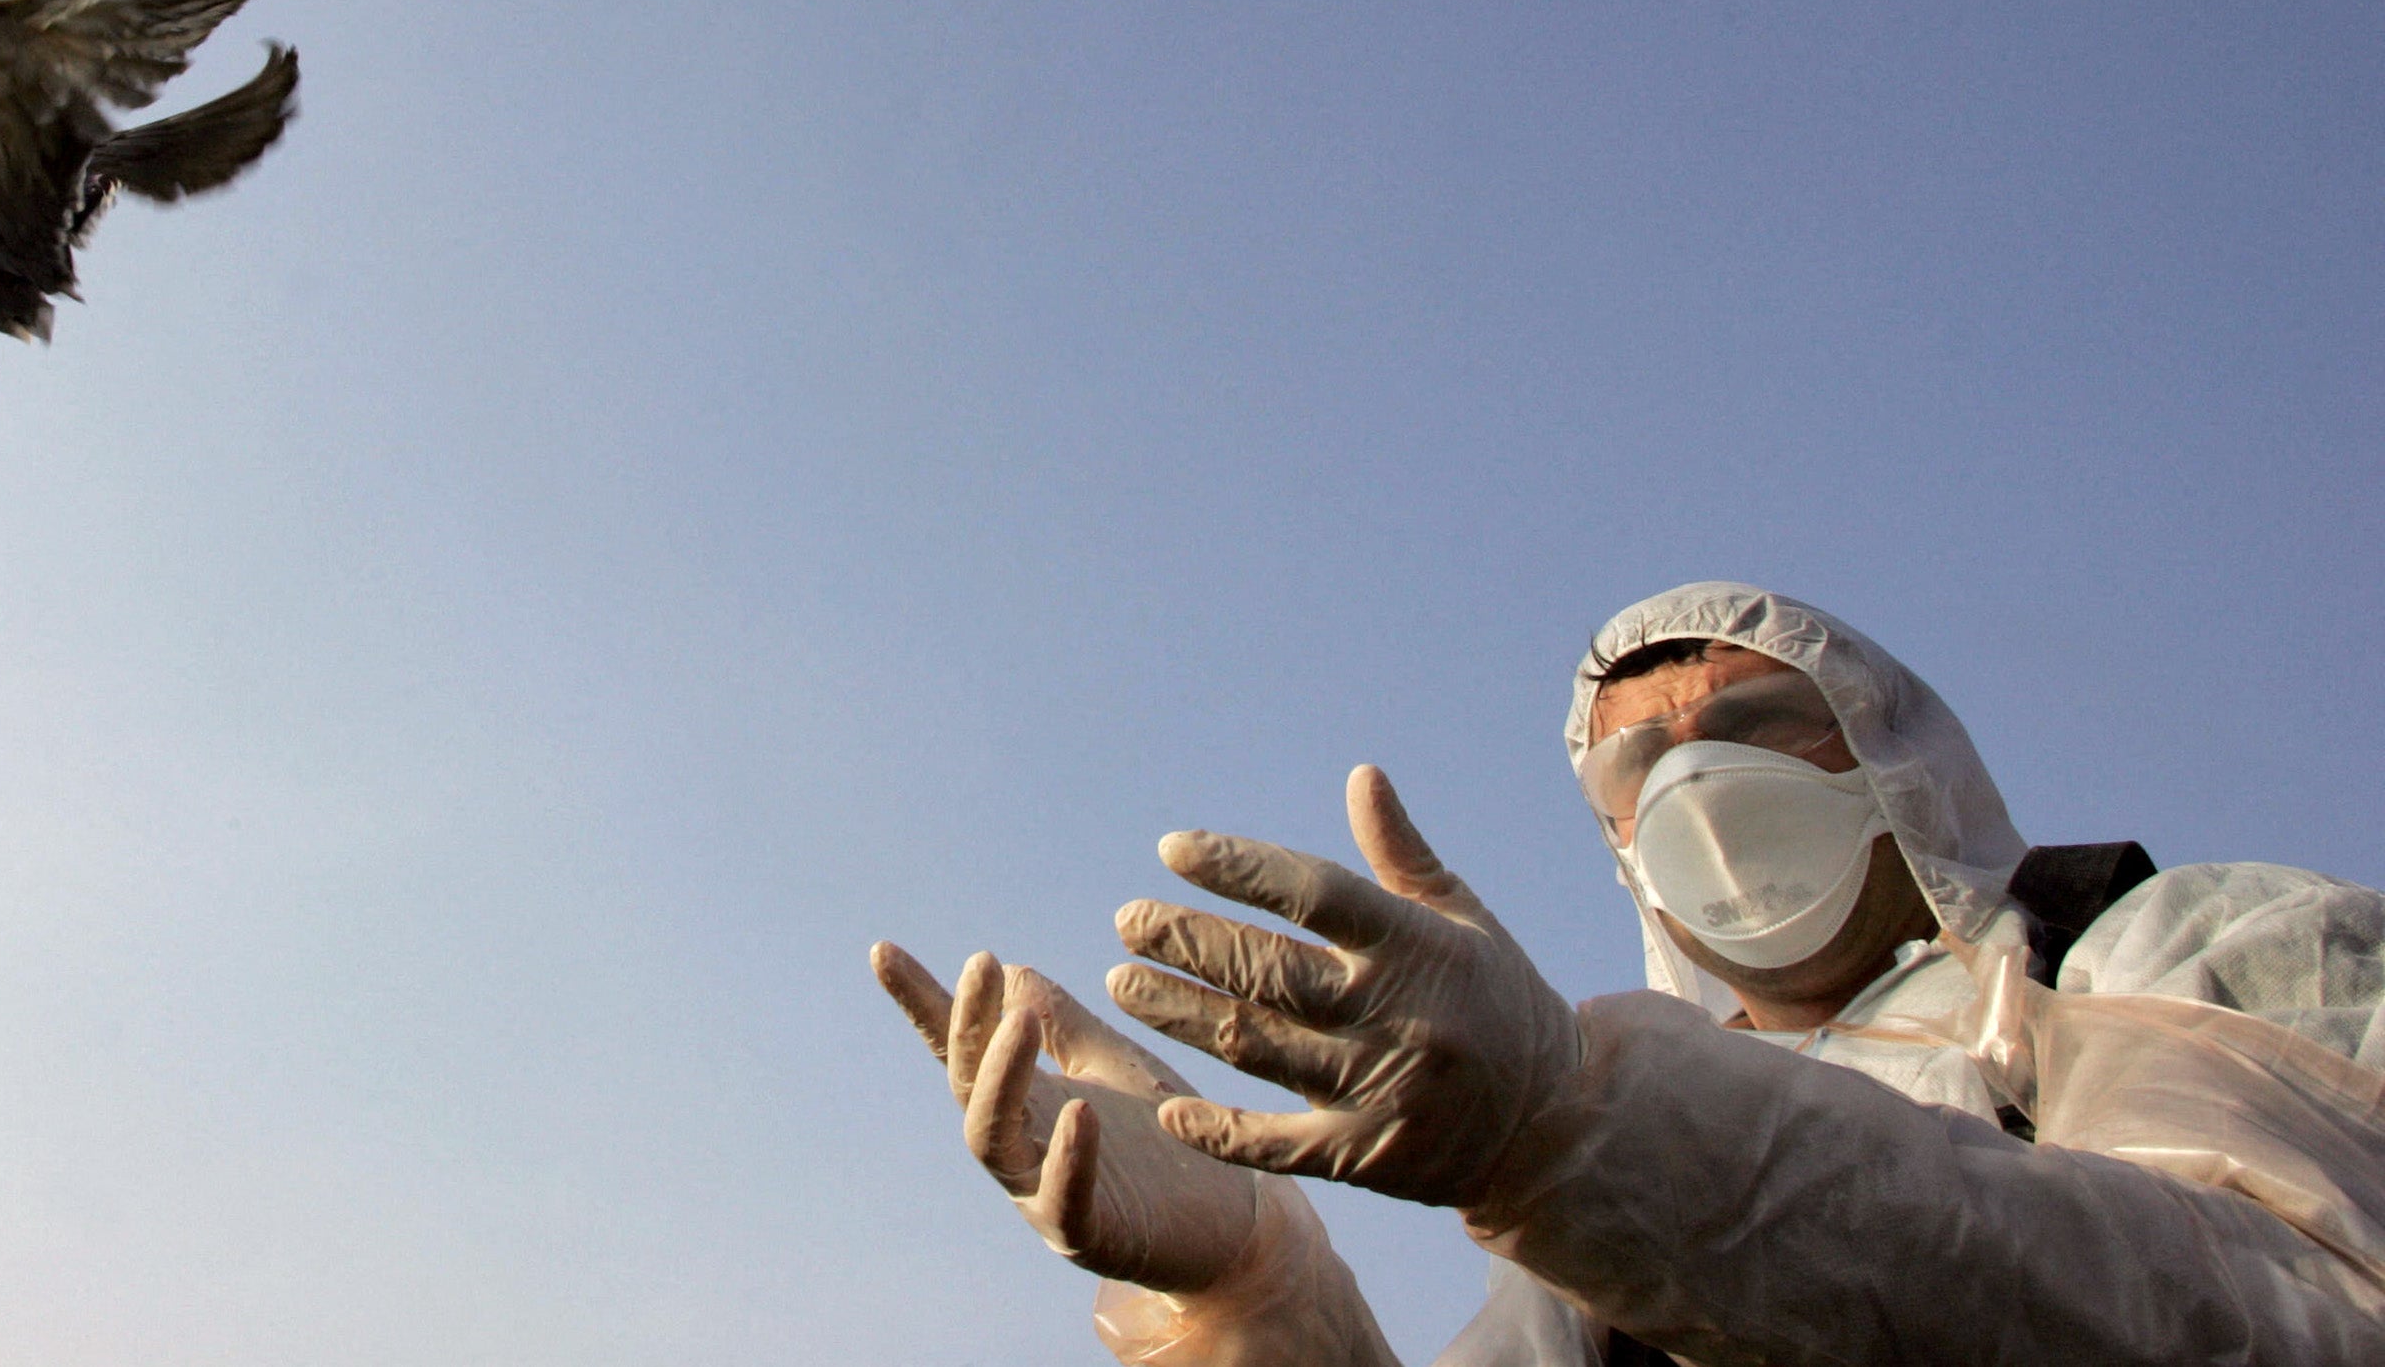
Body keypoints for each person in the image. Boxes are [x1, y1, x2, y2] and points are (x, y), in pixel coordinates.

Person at [875, 581, 2385, 1363]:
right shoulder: (1583, 1235)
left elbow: (2295, 1314)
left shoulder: (2157, 947)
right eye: (1639, 767)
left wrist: (1575, 1136)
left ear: (1891, 748)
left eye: (1751, 728)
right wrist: (1263, 1295)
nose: (1698, 791)